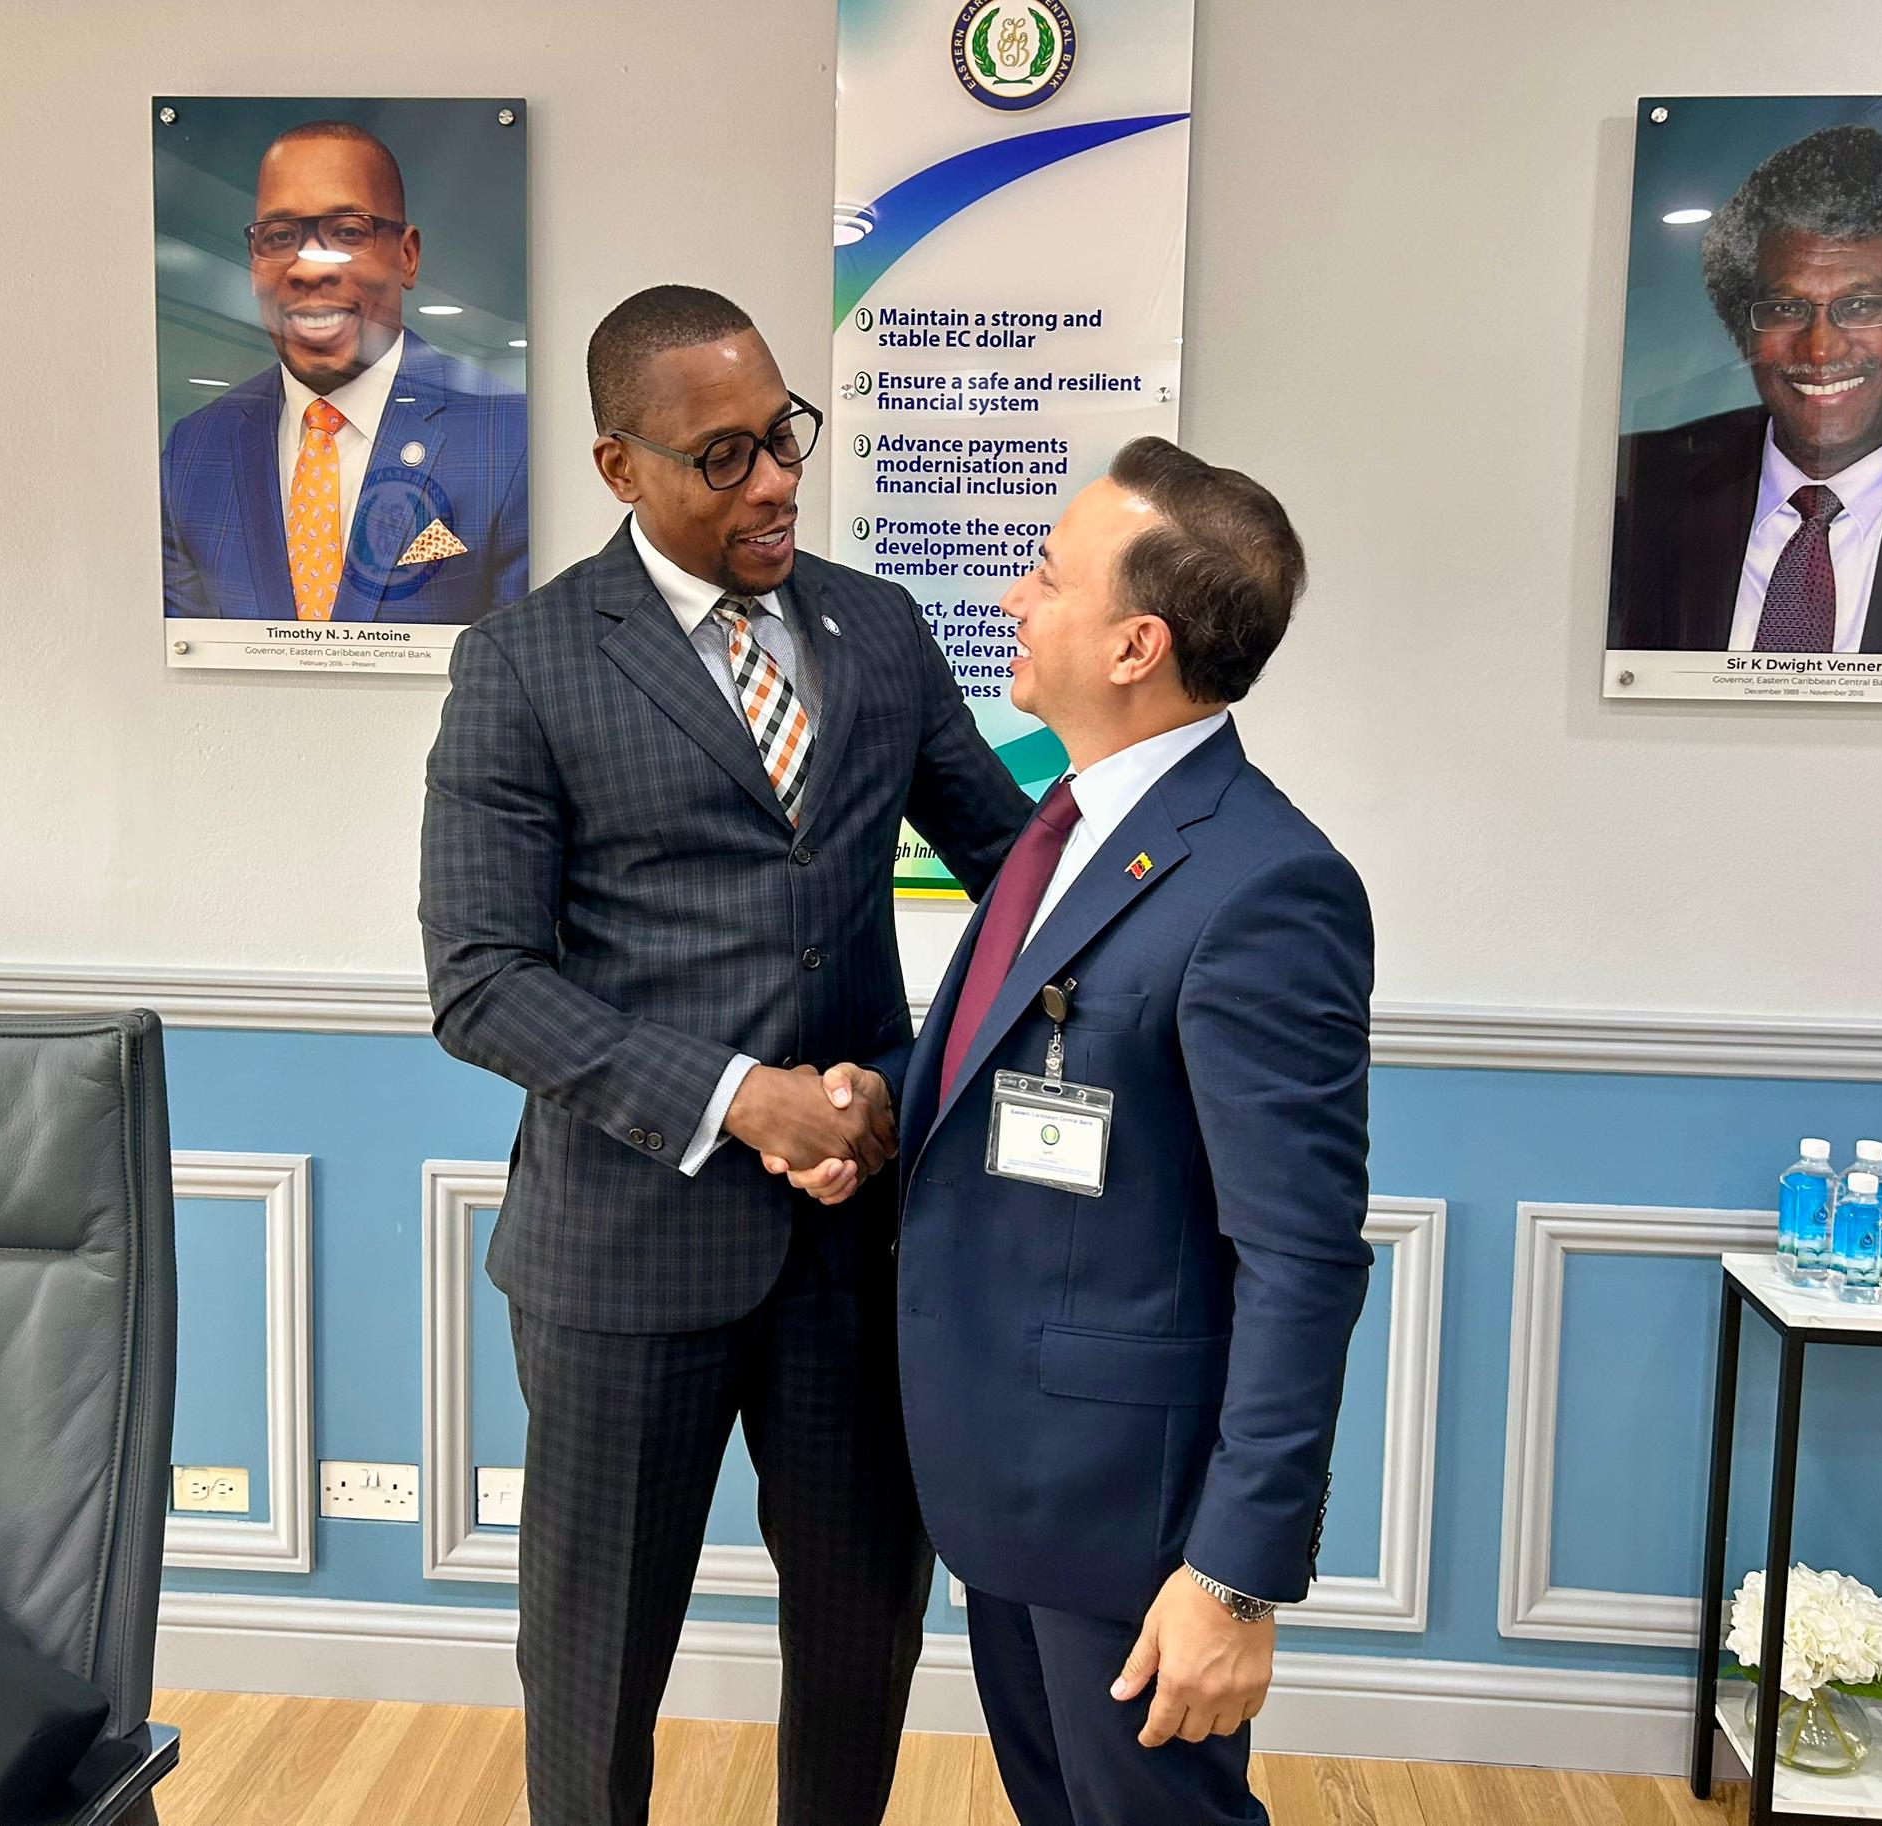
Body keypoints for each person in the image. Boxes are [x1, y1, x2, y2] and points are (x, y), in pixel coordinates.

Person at [418, 284, 1029, 1826]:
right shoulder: (525, 662)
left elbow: (1017, 878)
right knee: (596, 1668)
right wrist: (738, 1100)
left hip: (856, 1248)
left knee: (862, 1638)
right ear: (620, 466)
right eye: (722, 456)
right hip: (624, 1258)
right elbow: (481, 982)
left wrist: (898, 1082)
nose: (773, 482)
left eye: (784, 436)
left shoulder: (879, 628)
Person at [773, 437, 1373, 1825]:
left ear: (1134, 645)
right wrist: (888, 1093)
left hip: (1130, 1511)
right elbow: (1032, 1056)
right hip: (1012, 1476)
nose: (1013, 599)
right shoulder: (1072, 819)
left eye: (1045, 575)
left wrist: (1234, 1578)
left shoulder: (1266, 886)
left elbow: (1301, 1261)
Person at [1608, 124, 1882, 656]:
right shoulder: (1636, 488)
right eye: (1786, 308)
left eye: (1861, 305)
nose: (1821, 349)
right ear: (1745, 328)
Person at [161, 119, 527, 625]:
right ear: (252, 262)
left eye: (349, 232)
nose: (310, 268)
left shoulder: (510, 439)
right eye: (280, 236)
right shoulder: (194, 450)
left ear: (407, 256)